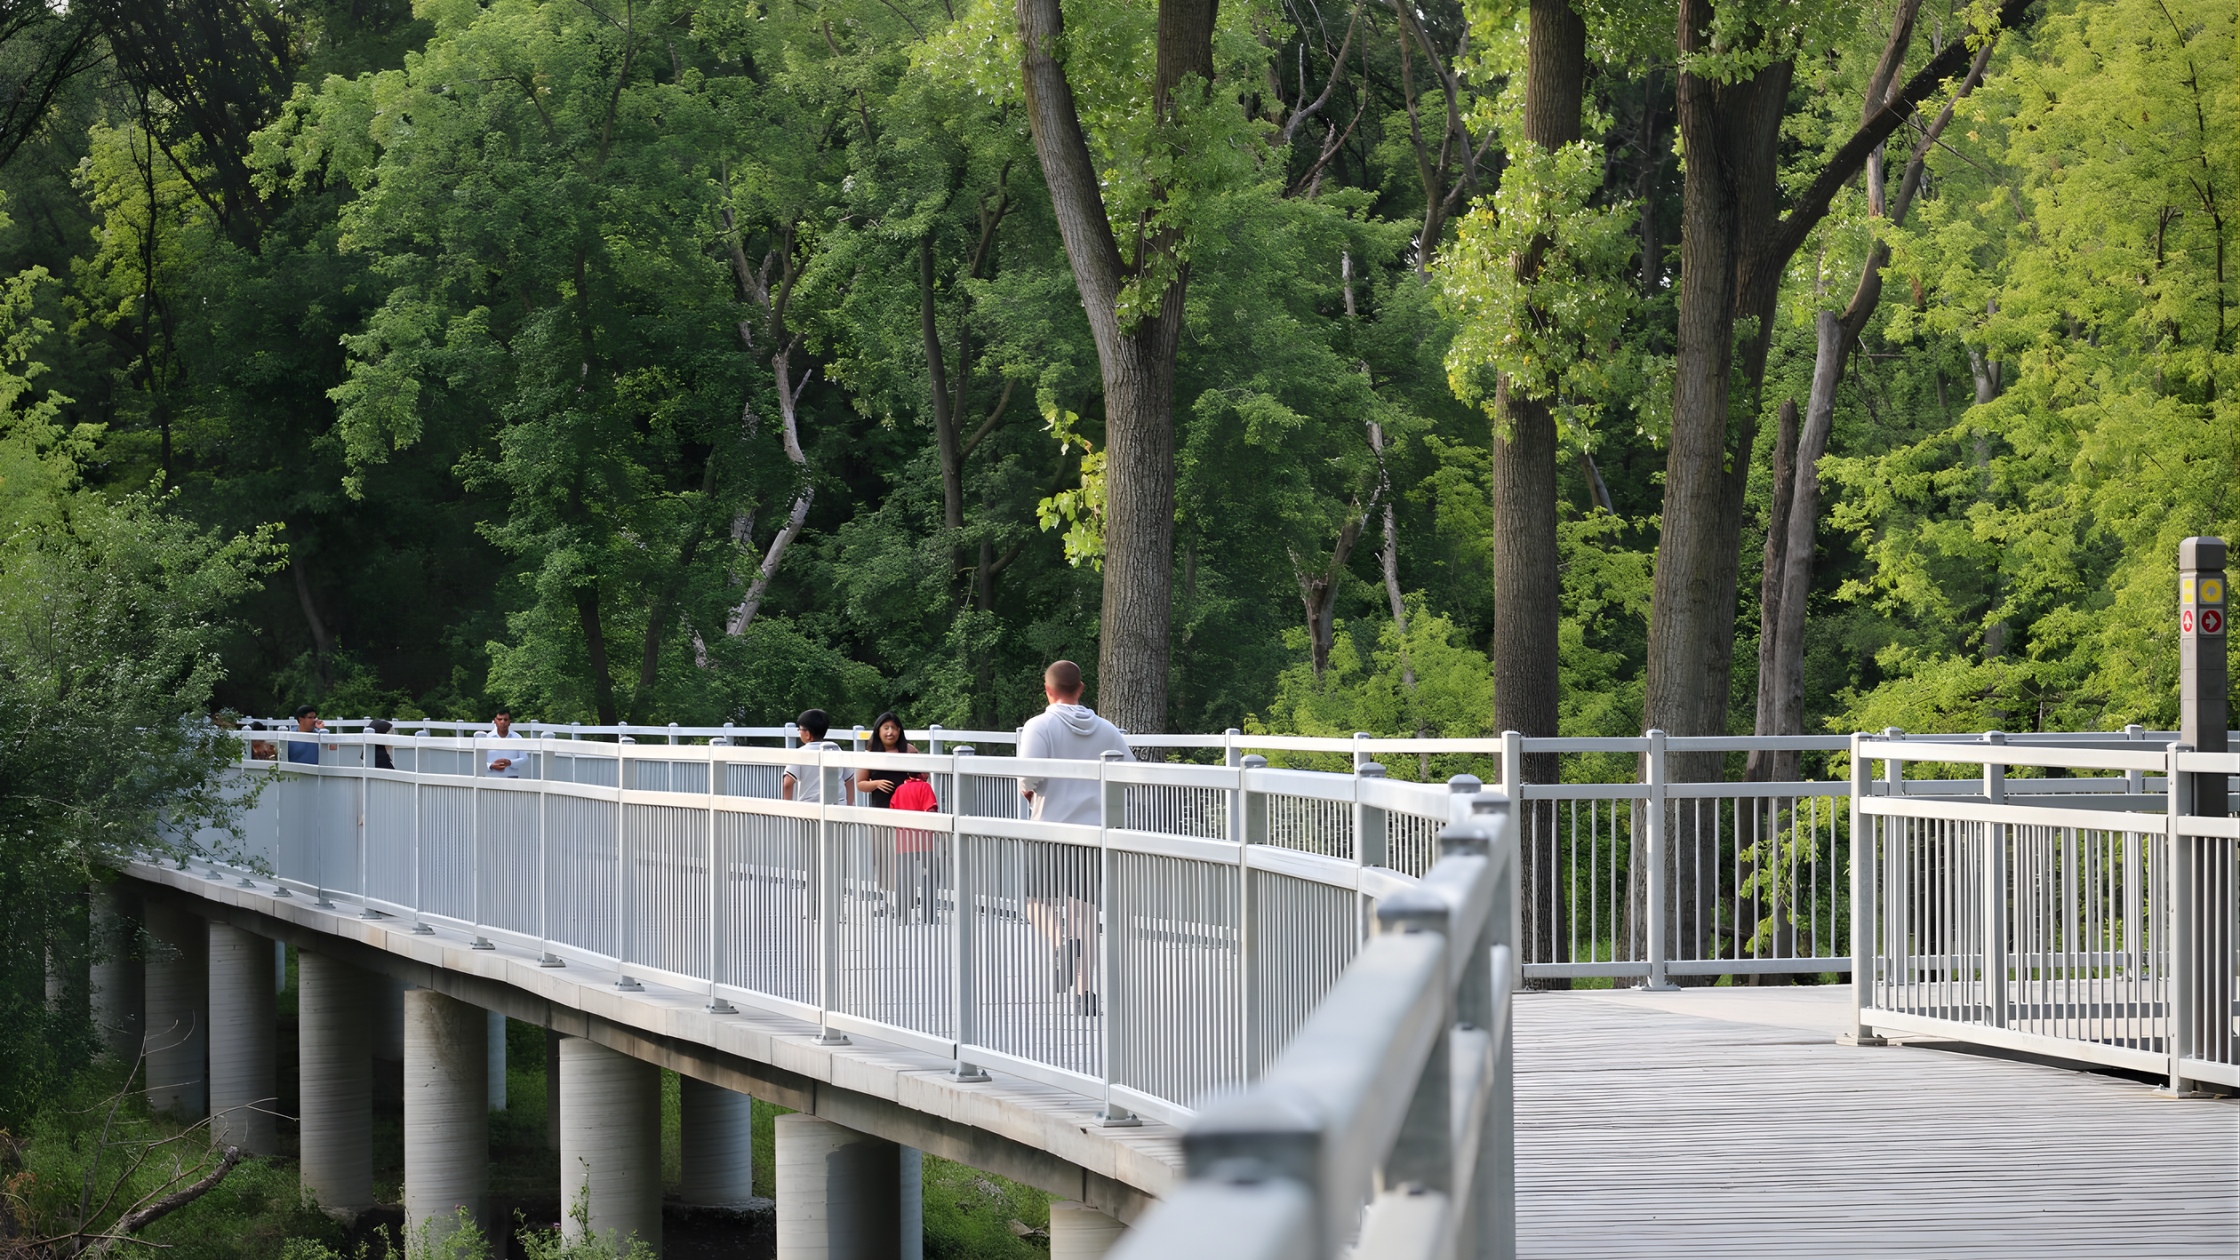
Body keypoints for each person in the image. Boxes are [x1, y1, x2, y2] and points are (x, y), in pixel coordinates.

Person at [1017, 660, 1130, 1015]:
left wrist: (1031, 793)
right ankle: (1085, 994)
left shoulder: (1039, 726)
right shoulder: (1108, 730)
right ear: (1081, 688)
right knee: (1085, 913)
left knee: (1035, 902)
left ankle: (1060, 941)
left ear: (1047, 689)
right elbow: (1129, 773)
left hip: (1050, 829)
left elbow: (1027, 780)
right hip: (1093, 834)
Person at [780, 709, 853, 802]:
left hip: (809, 807)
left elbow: (787, 783)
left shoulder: (800, 753)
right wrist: (849, 806)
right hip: (838, 806)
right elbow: (849, 780)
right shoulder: (836, 749)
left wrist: (787, 809)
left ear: (807, 734)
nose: (799, 731)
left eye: (800, 729)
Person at [858, 711, 919, 808]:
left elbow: (922, 777)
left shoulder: (909, 750)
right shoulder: (869, 754)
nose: (890, 732)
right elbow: (860, 784)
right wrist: (876, 784)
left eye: (894, 728)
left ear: (899, 731)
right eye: (886, 728)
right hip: (880, 807)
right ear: (878, 731)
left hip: (906, 806)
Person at [484, 709, 525, 778]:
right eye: (500, 719)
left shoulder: (518, 738)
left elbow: (524, 758)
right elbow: (479, 760)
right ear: (495, 721)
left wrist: (510, 762)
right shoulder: (487, 738)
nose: (502, 722)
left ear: (509, 722)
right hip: (491, 778)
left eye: (505, 720)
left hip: (512, 778)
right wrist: (491, 765)